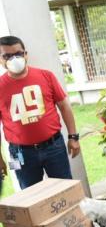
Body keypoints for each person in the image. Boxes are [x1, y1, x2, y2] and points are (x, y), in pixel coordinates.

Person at [0, 36, 78, 189]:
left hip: (54, 146)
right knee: (30, 196)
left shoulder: (46, 76)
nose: (13, 59)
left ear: (26, 54)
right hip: (19, 154)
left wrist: (73, 137)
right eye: (6, 56)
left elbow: (65, 106)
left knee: (66, 190)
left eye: (18, 53)